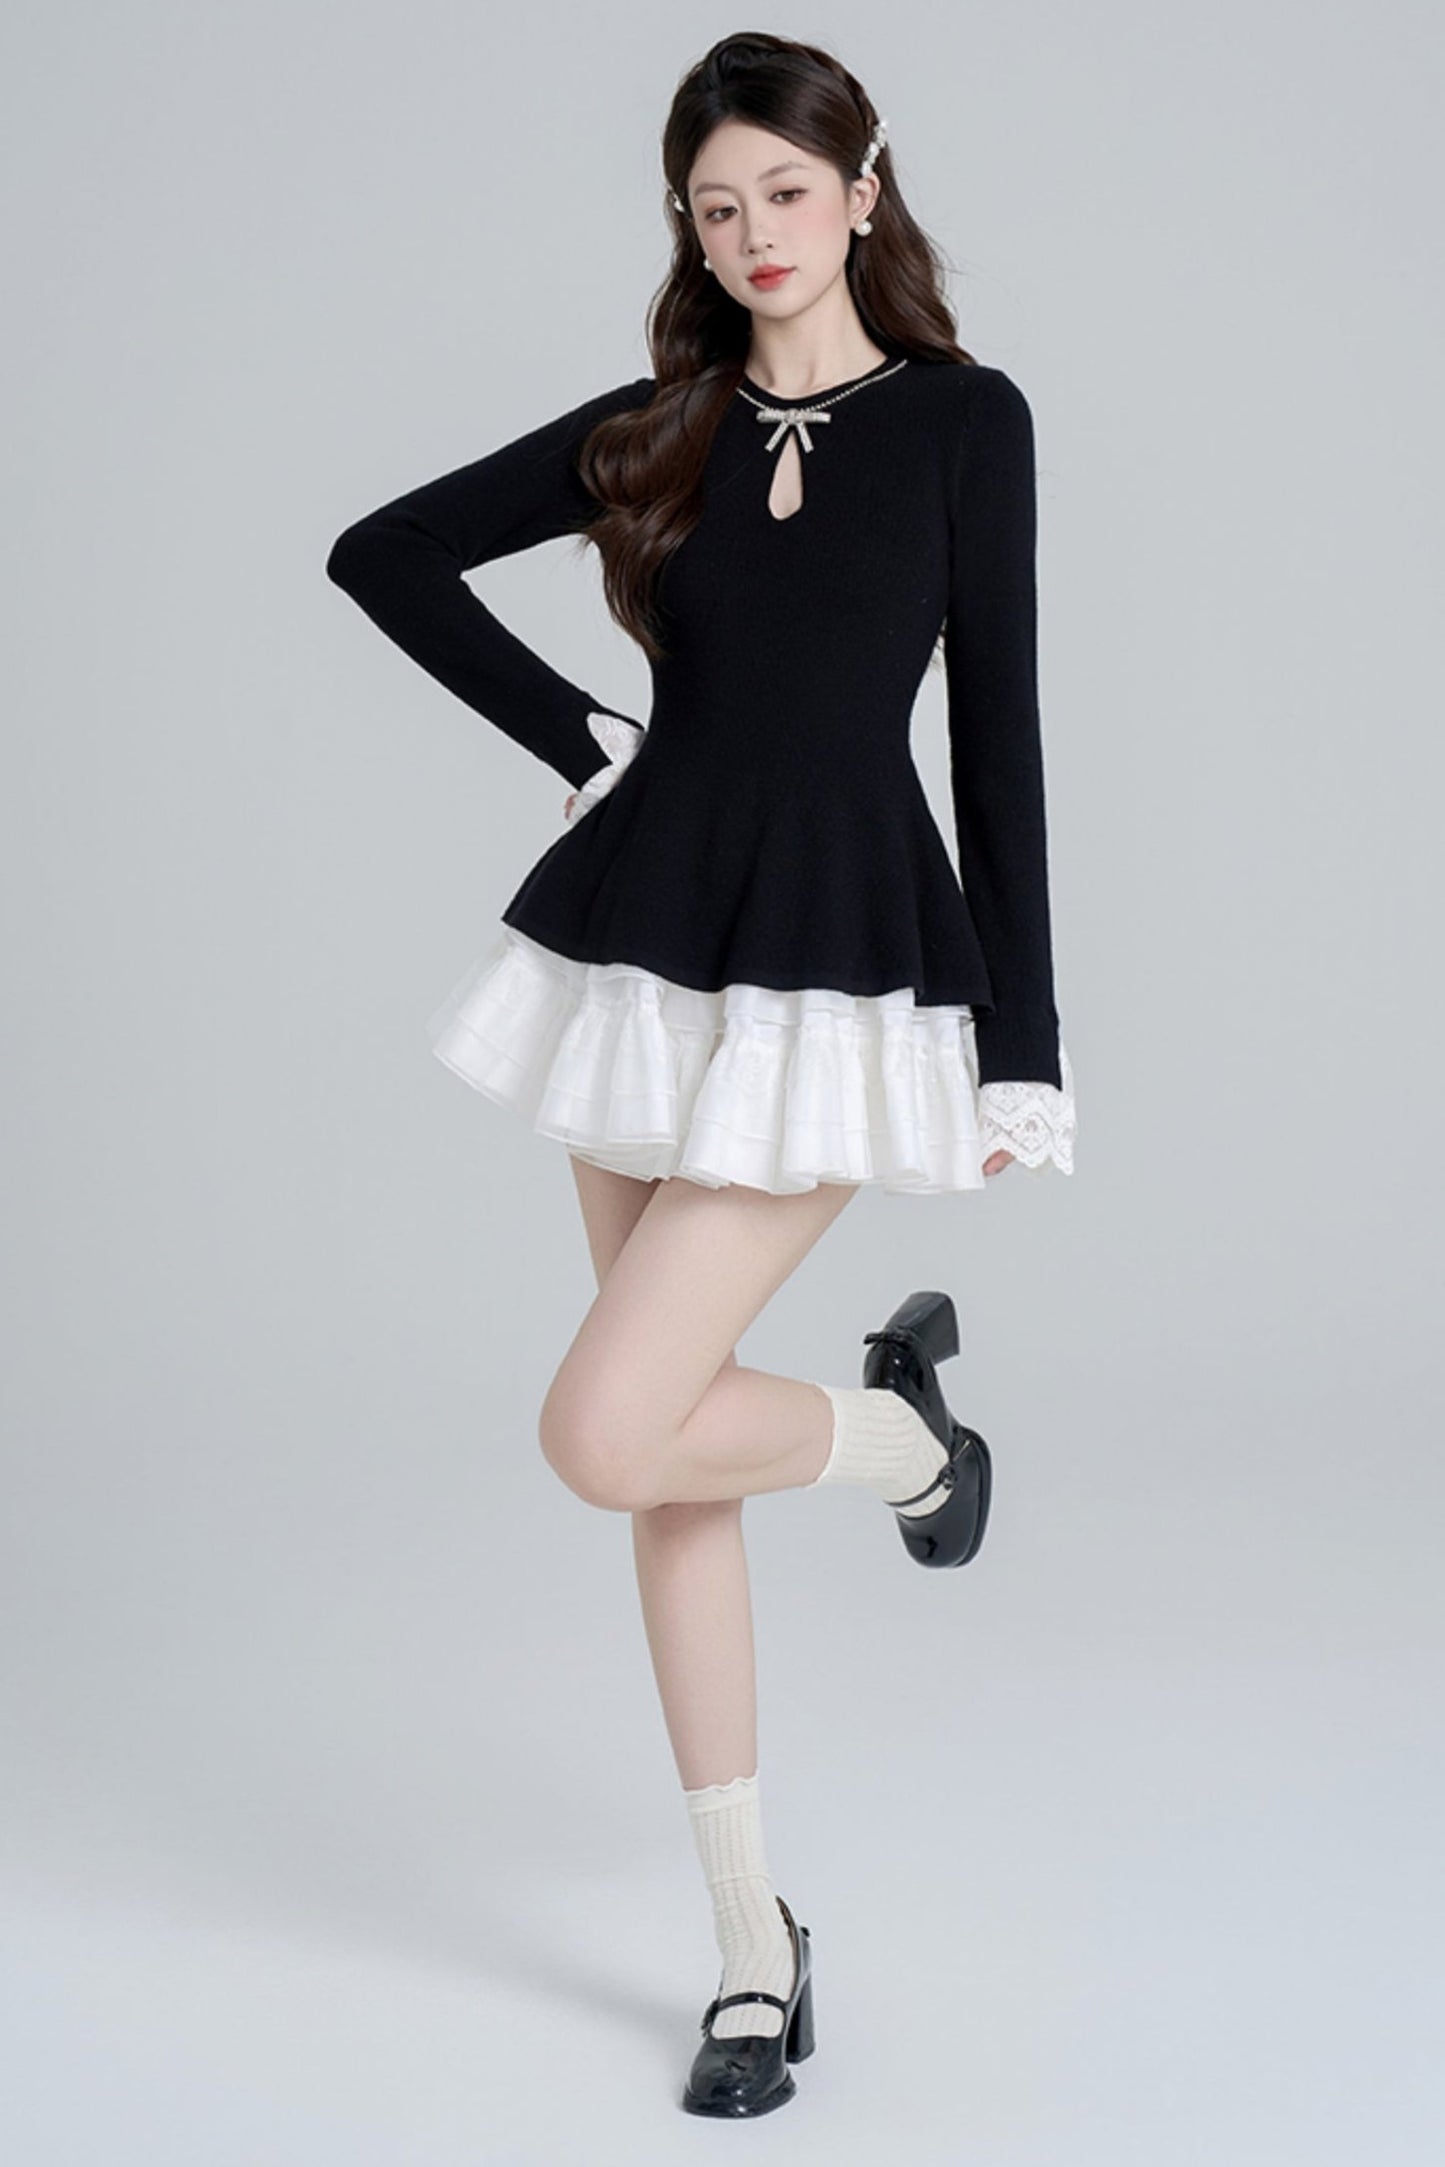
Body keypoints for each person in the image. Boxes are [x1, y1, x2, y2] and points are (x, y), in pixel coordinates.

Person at [326, 30, 1076, 2121]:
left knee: (610, 1424)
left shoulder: (966, 423)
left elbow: (999, 741)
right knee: (659, 1463)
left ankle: (900, 1441)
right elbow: (381, 553)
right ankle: (755, 1949)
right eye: (713, 205)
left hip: (838, 958)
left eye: (783, 192)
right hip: (640, 950)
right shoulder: (660, 424)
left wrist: (1023, 1053)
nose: (751, 235)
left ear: (863, 188)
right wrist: (581, 735)